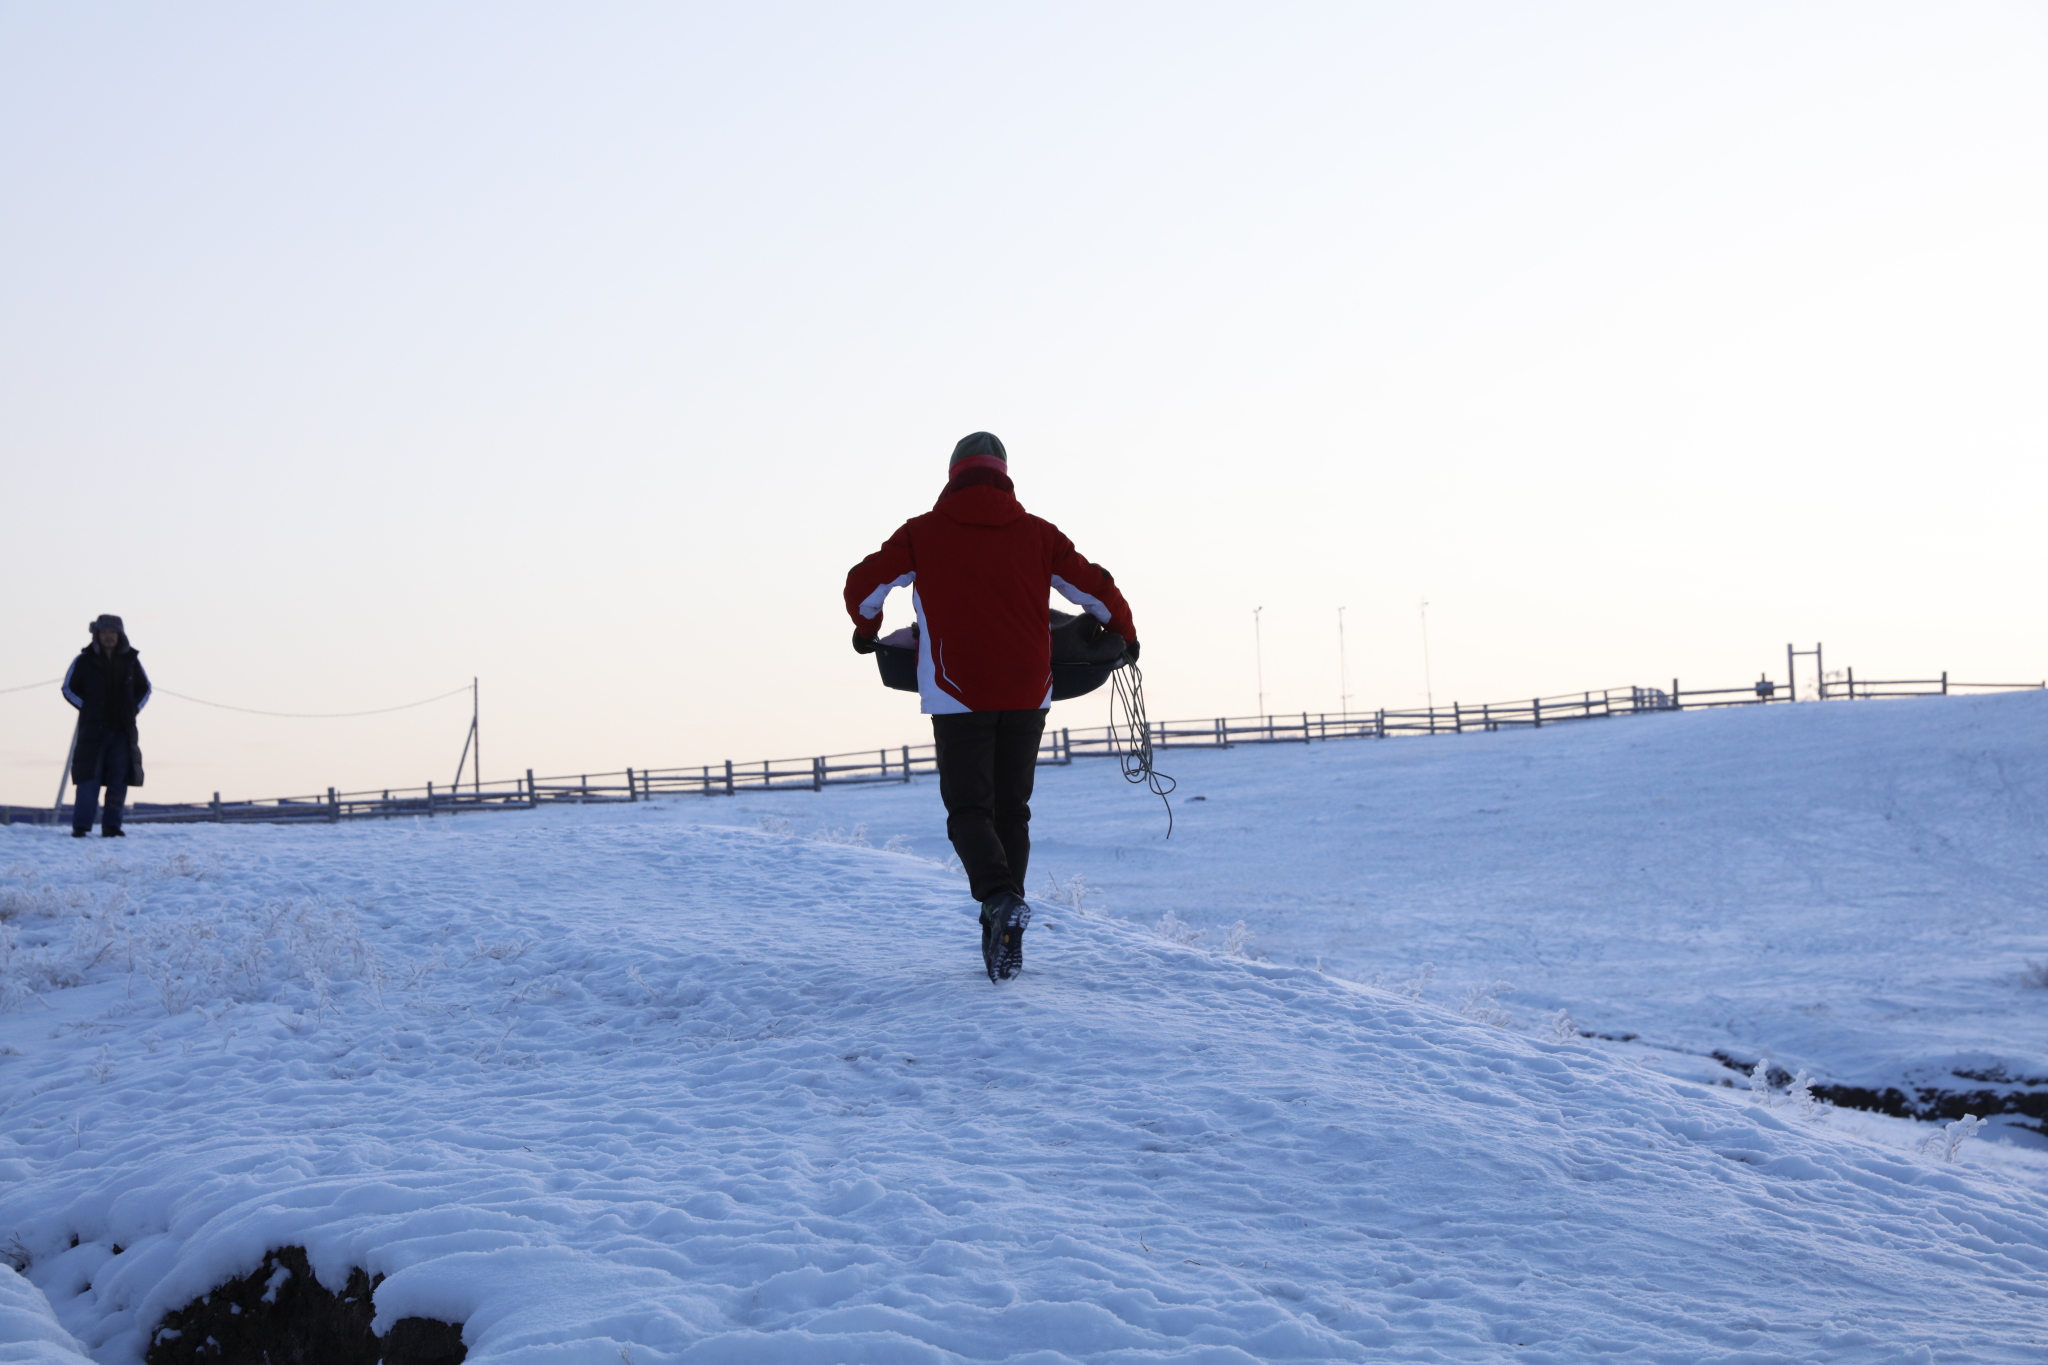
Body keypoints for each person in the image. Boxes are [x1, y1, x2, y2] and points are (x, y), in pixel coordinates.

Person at [844, 432, 1137, 982]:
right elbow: (1096, 589)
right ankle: (1005, 921)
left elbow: (863, 585)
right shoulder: (1039, 535)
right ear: (1004, 474)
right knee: (1012, 811)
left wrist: (868, 629)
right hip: (1029, 691)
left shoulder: (922, 534)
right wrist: (1126, 633)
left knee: (968, 811)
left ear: (953, 474)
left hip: (958, 693)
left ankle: (1000, 901)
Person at [61, 614, 151, 838]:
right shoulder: (83, 660)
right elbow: (68, 689)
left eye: (113, 632)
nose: (109, 636)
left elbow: (145, 688)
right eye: (104, 632)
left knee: (119, 780)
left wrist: (132, 710)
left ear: (120, 635)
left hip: (123, 732)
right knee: (88, 779)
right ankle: (81, 827)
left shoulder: (131, 660)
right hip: (93, 733)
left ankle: (112, 826)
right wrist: (89, 709)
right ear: (97, 635)